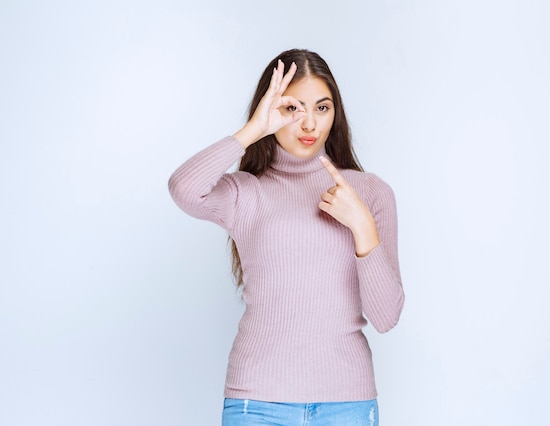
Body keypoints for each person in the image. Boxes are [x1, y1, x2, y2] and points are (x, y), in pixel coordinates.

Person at [168, 49, 404, 425]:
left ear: (335, 114)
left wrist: (362, 226)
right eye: (293, 109)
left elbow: (386, 316)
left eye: (322, 108)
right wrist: (252, 130)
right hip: (258, 403)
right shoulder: (246, 193)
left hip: (347, 404)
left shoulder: (369, 193)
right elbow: (183, 188)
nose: (309, 124)